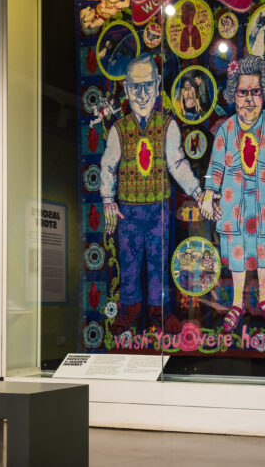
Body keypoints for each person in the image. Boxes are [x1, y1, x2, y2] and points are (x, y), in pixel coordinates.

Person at [100, 53, 203, 335]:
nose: (142, 93)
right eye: (136, 87)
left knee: (158, 263)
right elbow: (107, 166)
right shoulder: (118, 130)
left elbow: (178, 163)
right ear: (126, 87)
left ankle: (160, 311)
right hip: (128, 212)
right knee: (130, 262)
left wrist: (197, 191)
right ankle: (129, 309)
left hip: (158, 210)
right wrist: (108, 200)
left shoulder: (167, 125)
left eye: (148, 85)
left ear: (157, 85)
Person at [200, 54, 265, 332]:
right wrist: (209, 193)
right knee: (237, 253)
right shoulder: (226, 131)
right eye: (243, 92)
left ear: (263, 93)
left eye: (255, 92)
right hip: (235, 205)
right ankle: (237, 303)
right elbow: (214, 167)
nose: (249, 99)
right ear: (234, 95)